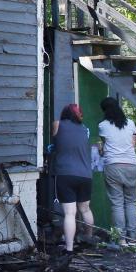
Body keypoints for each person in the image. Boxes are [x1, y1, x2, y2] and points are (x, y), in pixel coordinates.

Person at [51, 103, 95, 253]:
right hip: (85, 175)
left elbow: (55, 143)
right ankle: (88, 238)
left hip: (65, 173)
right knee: (85, 209)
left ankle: (69, 248)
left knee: (70, 213)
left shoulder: (57, 124)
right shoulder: (85, 130)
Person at [98, 97, 136, 246]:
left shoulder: (103, 126)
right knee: (131, 202)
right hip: (131, 165)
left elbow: (104, 147)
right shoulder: (131, 124)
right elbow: (135, 144)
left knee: (117, 203)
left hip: (113, 166)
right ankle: (133, 238)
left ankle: (120, 238)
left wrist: (100, 150)